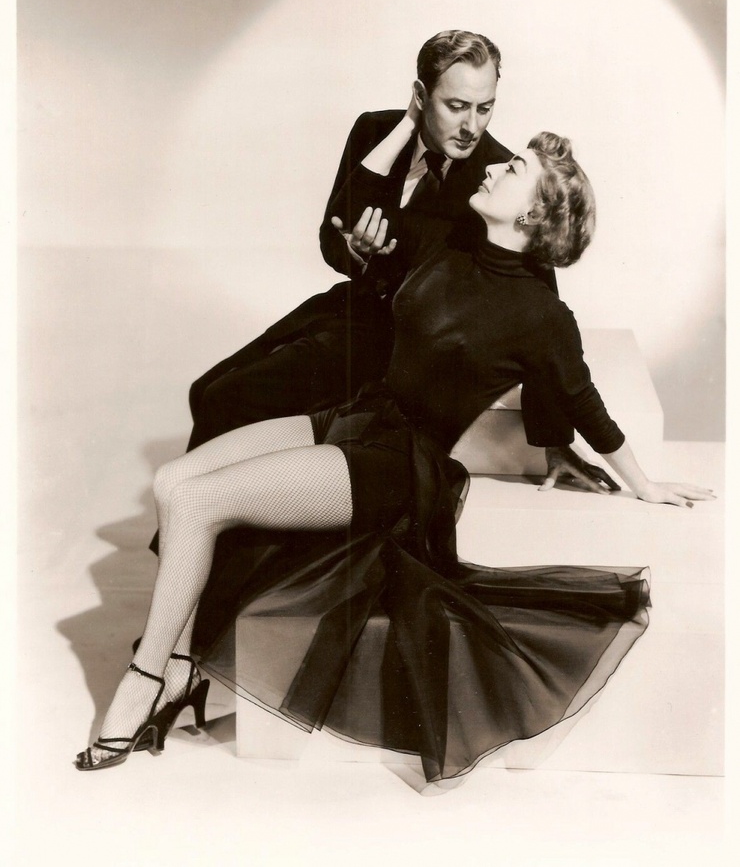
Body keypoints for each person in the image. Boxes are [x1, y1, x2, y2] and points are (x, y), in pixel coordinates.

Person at [76, 111, 714, 784]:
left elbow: (583, 401)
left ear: (533, 215)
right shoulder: (451, 244)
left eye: (514, 169)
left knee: (200, 501)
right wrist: (404, 133)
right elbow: (361, 219)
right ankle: (179, 668)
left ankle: (144, 681)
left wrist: (643, 483)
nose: (495, 165)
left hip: (396, 465)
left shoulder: (542, 316)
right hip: (356, 416)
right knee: (174, 482)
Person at [182, 30, 610, 494]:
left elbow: (541, 304)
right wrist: (356, 253)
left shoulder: (499, 176)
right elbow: (332, 236)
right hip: (351, 308)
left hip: (406, 350)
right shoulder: (374, 131)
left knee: (229, 399)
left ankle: (209, 523)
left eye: (484, 108)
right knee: (205, 390)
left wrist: (554, 440)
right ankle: (203, 520)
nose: (472, 126)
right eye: (456, 106)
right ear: (421, 96)